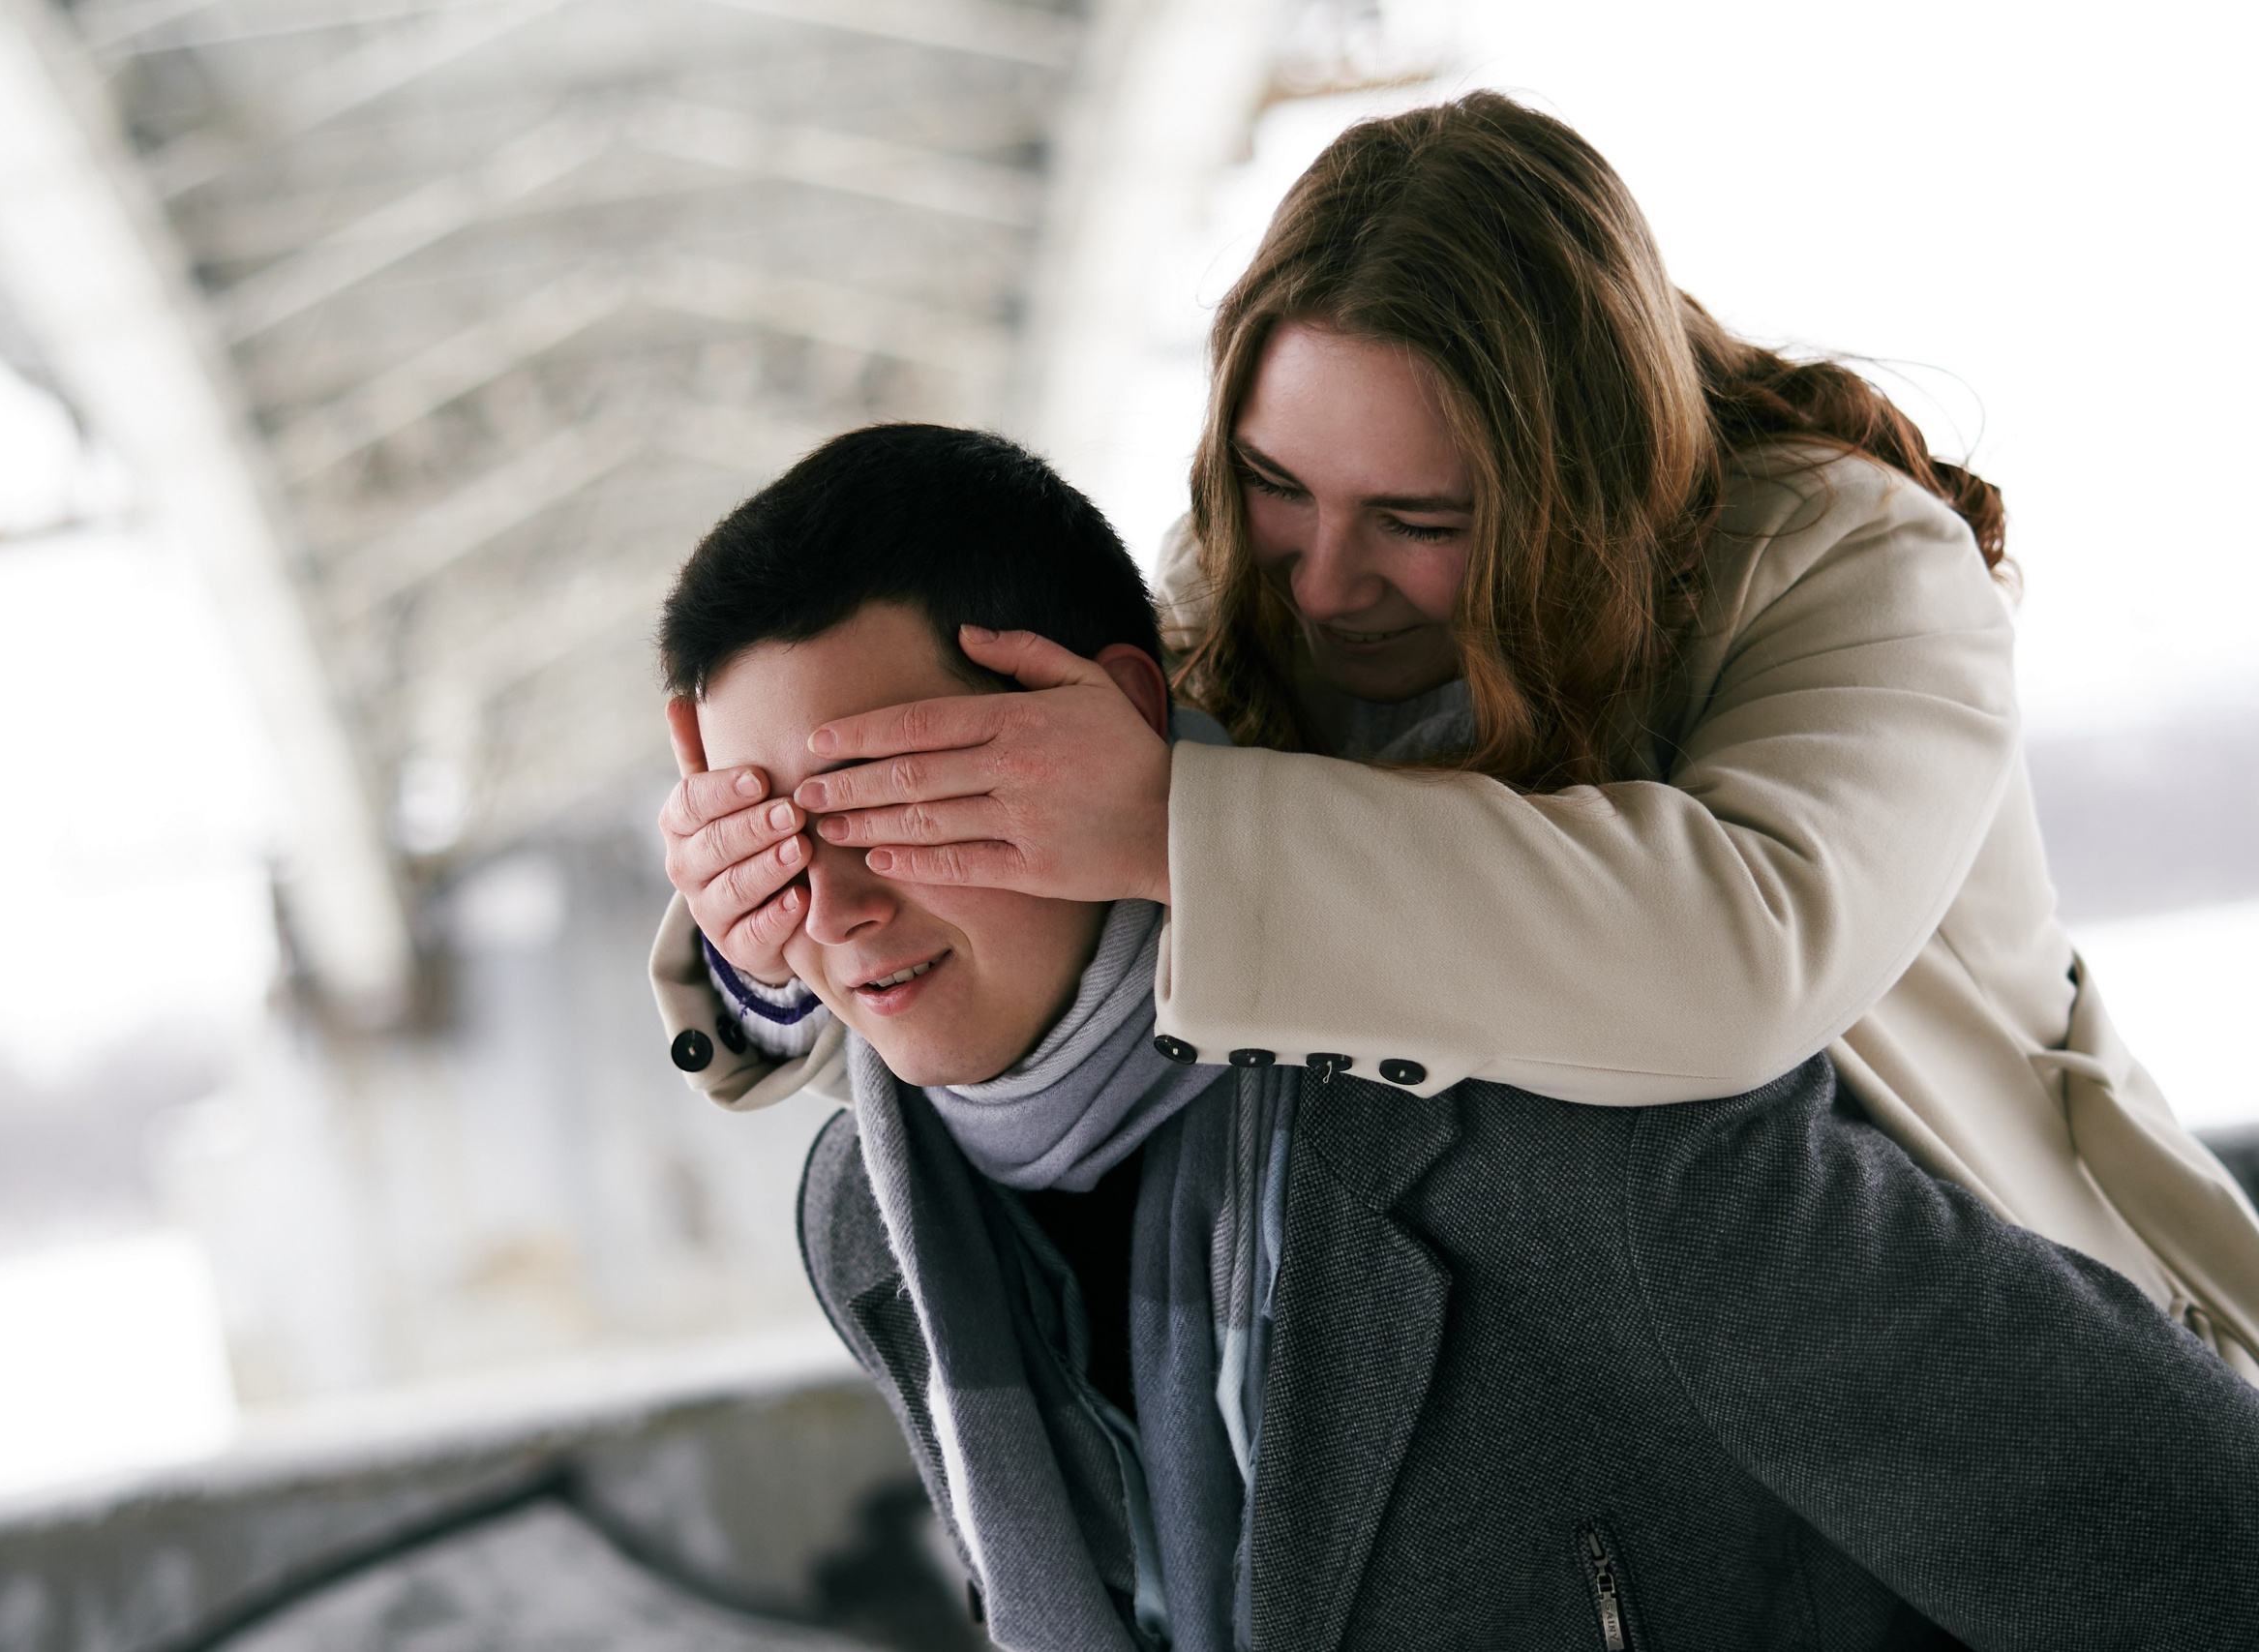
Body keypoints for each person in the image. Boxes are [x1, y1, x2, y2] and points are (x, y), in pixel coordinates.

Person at [652, 93, 2259, 1372]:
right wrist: (771, 934)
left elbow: (1736, 963)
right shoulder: (1252, 584)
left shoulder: (1858, 565)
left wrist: (1169, 823)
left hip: (2005, 1353)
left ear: (1575, 480)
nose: (1328, 579)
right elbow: (1054, 974)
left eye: (1422, 516)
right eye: (1277, 486)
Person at [654, 423, 2259, 1652]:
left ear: (1117, 718)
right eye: (767, 832)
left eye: (904, 803)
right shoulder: (880, 1217)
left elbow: (2196, 1543)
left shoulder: (1567, 1141)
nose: (841, 907)